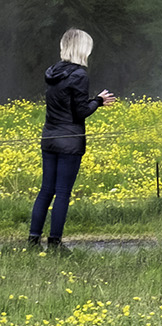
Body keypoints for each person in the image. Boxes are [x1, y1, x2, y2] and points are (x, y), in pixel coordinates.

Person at [28, 29, 114, 250]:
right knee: (63, 192)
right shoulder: (79, 75)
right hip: (70, 142)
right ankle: (55, 243)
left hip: (49, 138)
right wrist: (98, 101)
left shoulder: (53, 72)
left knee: (46, 190)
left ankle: (33, 240)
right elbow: (81, 112)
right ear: (82, 49)